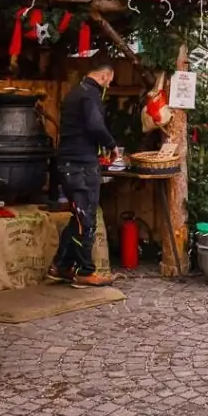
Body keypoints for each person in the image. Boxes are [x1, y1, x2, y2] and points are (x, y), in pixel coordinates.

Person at [46, 60, 120, 288]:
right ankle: (85, 272)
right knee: (86, 219)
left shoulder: (75, 93)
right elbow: (95, 125)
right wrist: (111, 145)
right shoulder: (90, 95)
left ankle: (61, 266)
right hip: (80, 165)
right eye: (111, 79)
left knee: (78, 217)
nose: (110, 82)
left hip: (69, 163)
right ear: (106, 76)